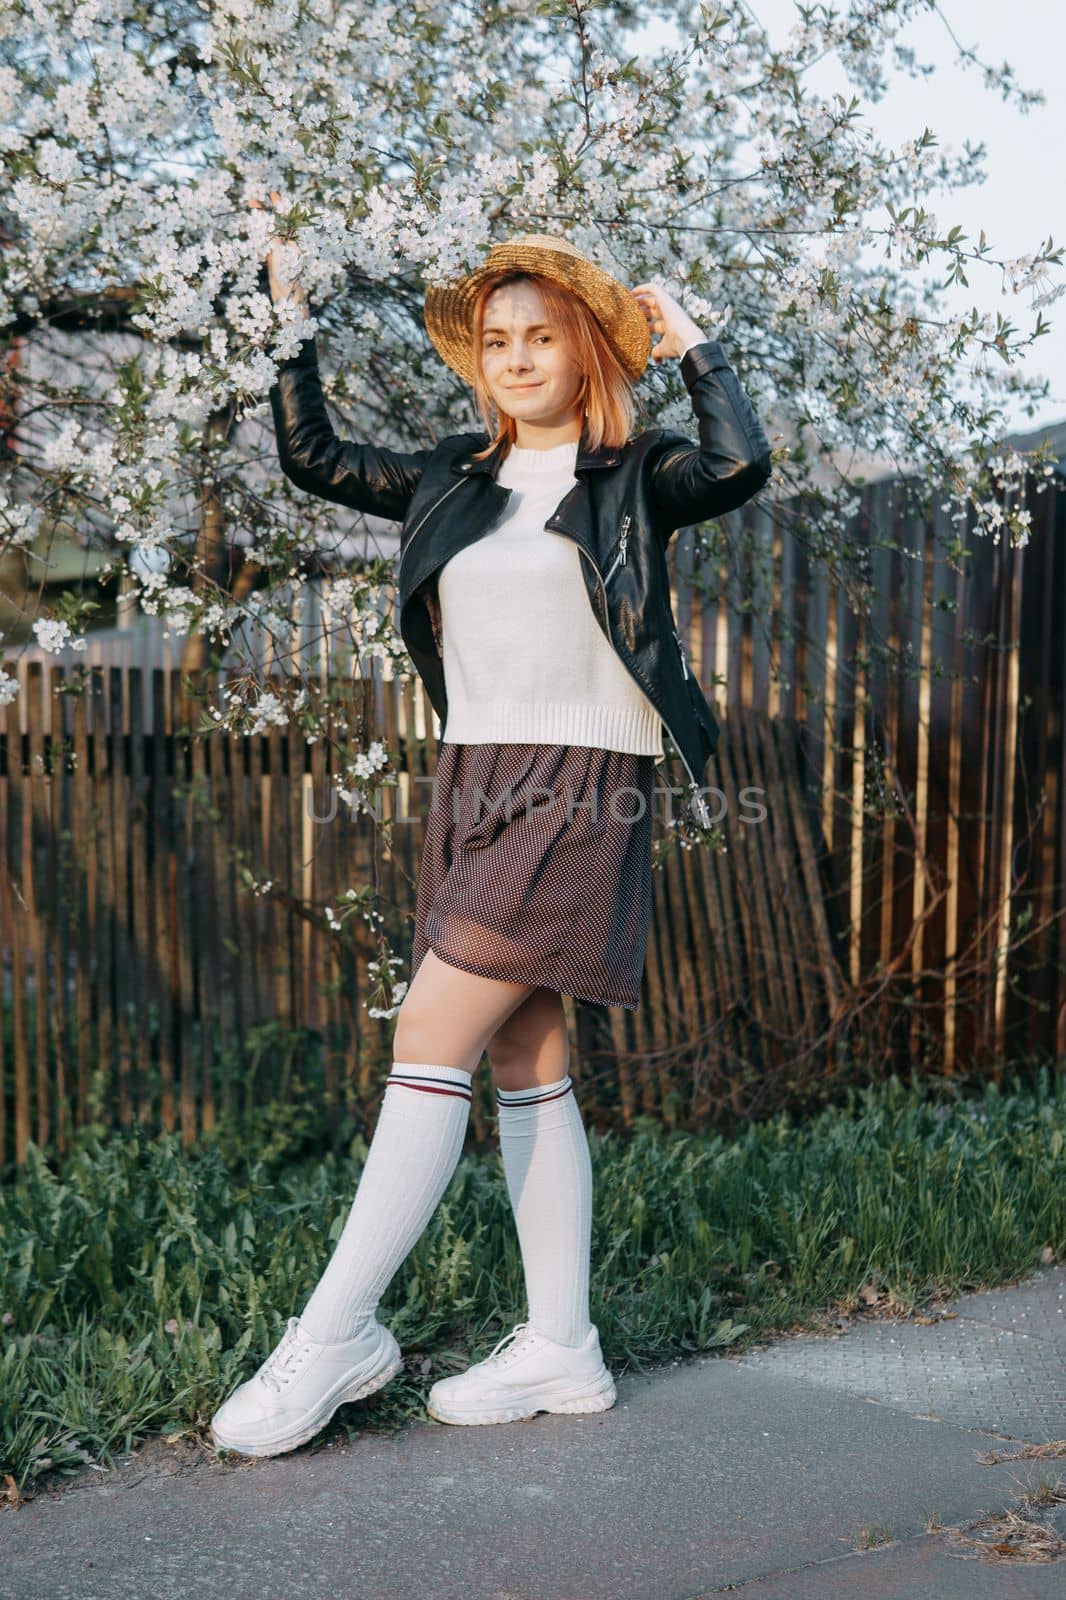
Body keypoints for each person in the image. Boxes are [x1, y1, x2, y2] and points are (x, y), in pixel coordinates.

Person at [209, 208, 772, 1457]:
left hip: (582, 773)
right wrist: (283, 307)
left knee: (429, 1029)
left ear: (585, 352)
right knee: (524, 1048)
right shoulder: (445, 479)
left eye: (542, 337)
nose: (516, 357)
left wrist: (699, 349)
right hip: (476, 769)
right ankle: (563, 1349)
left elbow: (737, 466)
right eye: (496, 339)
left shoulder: (633, 477)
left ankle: (334, 1331)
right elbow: (311, 458)